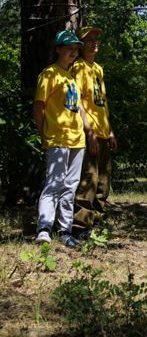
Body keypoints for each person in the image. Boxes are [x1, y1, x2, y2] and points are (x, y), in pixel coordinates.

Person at [33, 30, 92, 247]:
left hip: (77, 140)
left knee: (70, 186)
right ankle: (44, 228)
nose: (73, 52)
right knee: (54, 184)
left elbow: (79, 108)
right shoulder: (49, 74)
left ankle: (65, 230)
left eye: (76, 49)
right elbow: (39, 106)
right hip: (57, 138)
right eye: (69, 48)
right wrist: (43, 133)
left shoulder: (71, 77)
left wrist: (88, 130)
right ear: (58, 49)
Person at [70, 27, 117, 239]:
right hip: (88, 132)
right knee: (89, 178)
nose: (94, 42)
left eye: (97, 38)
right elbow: (77, 102)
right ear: (81, 45)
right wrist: (88, 131)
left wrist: (110, 130)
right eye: (89, 39)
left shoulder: (97, 69)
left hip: (104, 132)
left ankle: (97, 221)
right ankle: (80, 225)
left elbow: (102, 103)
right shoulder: (78, 68)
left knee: (103, 181)